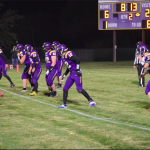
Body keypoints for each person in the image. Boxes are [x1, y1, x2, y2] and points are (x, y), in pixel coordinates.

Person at [56, 44, 96, 109]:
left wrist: (77, 69)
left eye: (58, 50)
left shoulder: (67, 54)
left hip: (76, 73)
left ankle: (91, 101)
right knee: (65, 88)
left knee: (79, 89)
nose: (58, 52)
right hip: (71, 74)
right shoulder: (63, 56)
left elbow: (77, 59)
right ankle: (64, 104)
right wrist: (65, 74)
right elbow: (69, 66)